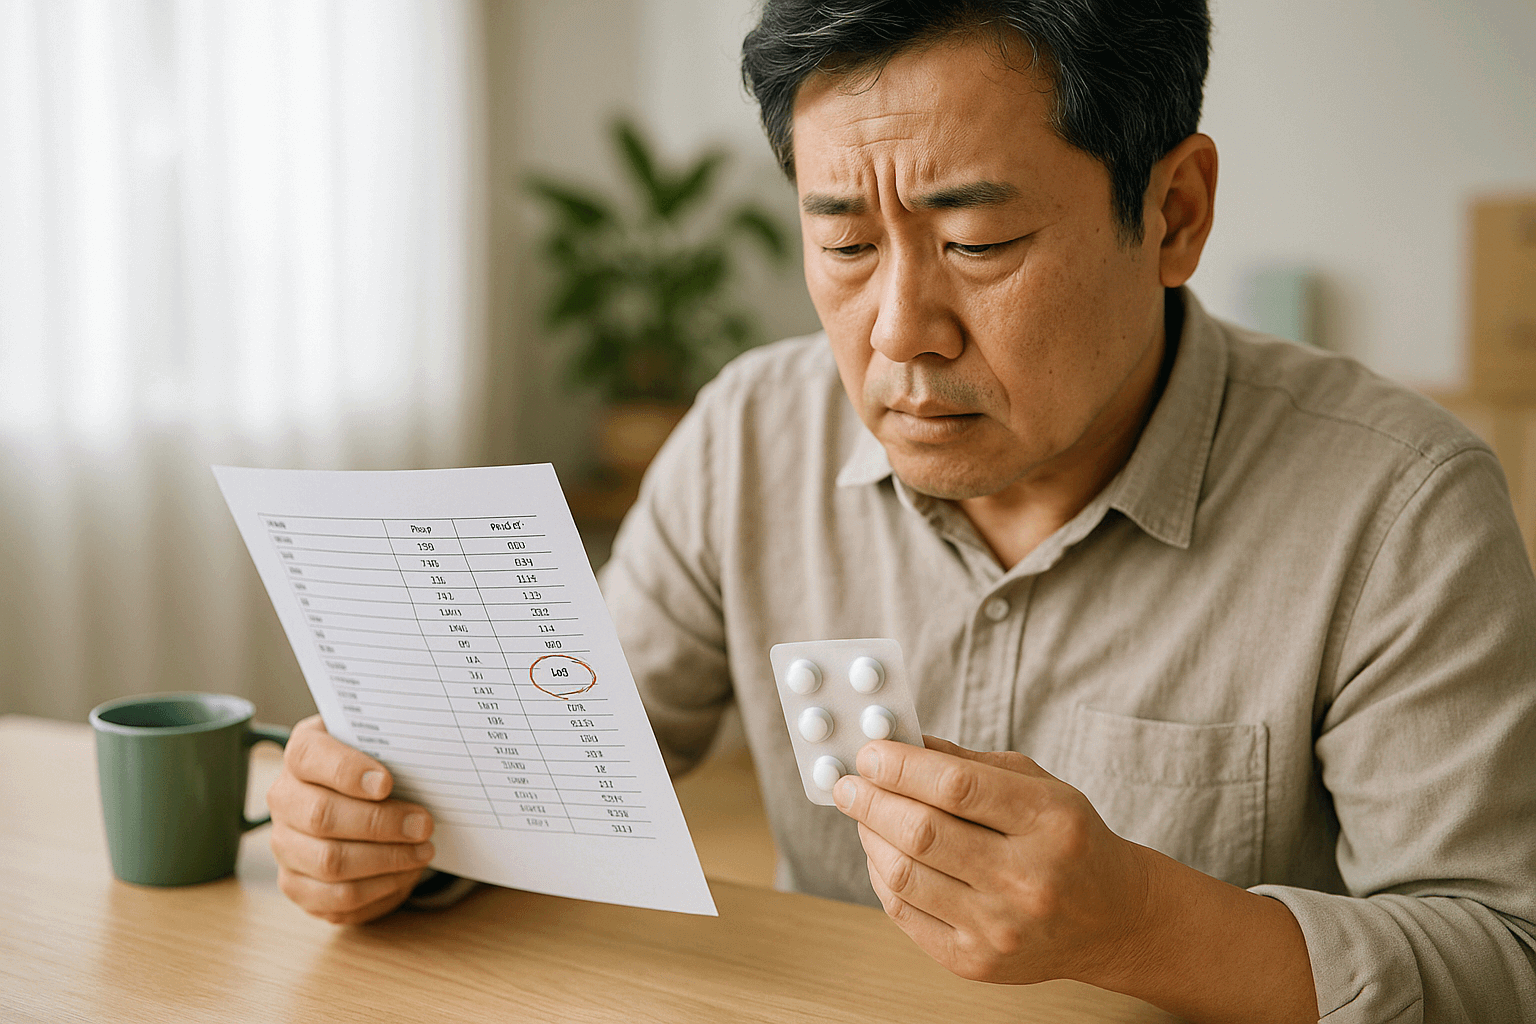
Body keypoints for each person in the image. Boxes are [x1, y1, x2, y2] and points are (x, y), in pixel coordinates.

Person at [262, 2, 1536, 1021]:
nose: (899, 336)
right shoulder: (750, 431)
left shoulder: (1400, 506)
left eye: (978, 245)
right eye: (845, 245)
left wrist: (1141, 922)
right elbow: (560, 773)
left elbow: (1504, 955)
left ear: (1174, 212)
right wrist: (390, 832)